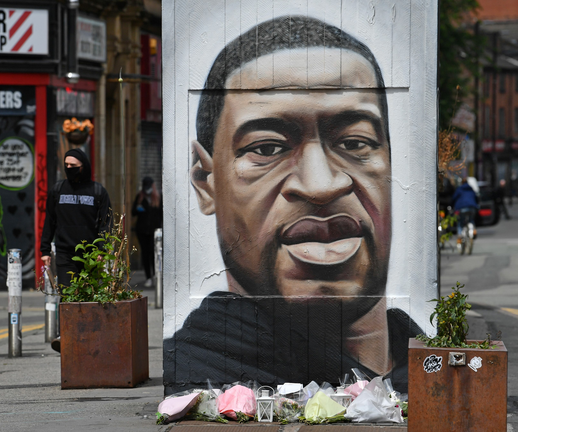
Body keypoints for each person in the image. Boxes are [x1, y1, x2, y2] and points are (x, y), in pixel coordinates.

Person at [164, 15, 422, 395]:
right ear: (206, 184)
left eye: (355, 143)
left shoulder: (424, 359)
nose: (321, 186)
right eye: (266, 148)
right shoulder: (194, 371)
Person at [40, 148, 112, 352]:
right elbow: (50, 222)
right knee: (68, 293)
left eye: (75, 166)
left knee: (89, 294)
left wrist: (101, 249)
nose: (70, 169)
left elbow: (106, 224)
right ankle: (67, 334)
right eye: (67, 166)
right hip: (65, 253)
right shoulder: (57, 190)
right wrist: (45, 249)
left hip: (90, 254)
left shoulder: (98, 191)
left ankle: (89, 334)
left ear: (84, 166)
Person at [131, 177, 162, 287]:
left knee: (153, 253)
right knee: (145, 253)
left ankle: (155, 275)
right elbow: (133, 212)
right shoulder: (140, 197)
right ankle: (148, 276)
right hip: (142, 230)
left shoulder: (158, 198)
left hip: (154, 230)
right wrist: (138, 208)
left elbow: (161, 215)